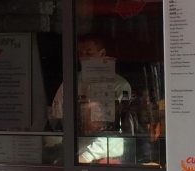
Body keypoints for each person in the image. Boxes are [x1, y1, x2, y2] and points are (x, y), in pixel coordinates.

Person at [49, 35, 133, 163]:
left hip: (105, 157)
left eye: (89, 53)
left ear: (102, 54)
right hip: (74, 153)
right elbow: (58, 115)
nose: (83, 58)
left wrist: (86, 156)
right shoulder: (71, 82)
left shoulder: (119, 85)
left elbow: (116, 130)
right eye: (80, 53)